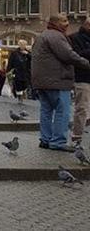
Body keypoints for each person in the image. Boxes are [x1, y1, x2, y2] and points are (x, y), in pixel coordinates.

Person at [32, 14, 90, 152]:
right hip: (56, 80)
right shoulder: (56, 36)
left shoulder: (43, 36)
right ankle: (58, 141)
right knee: (62, 111)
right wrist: (87, 63)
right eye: (64, 21)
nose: (67, 23)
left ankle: (45, 139)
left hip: (42, 81)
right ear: (55, 23)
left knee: (46, 111)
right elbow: (68, 55)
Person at [69, 19, 90, 148]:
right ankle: (76, 136)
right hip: (83, 78)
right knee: (81, 107)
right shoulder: (74, 38)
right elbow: (75, 56)